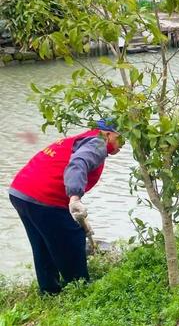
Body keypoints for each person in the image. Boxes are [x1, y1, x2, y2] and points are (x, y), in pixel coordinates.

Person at [8, 119, 123, 294]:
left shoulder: (82, 139)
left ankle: (49, 291)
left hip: (21, 192)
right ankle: (80, 289)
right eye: (121, 138)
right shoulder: (99, 142)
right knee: (72, 238)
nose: (123, 143)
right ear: (107, 133)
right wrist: (75, 197)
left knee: (43, 244)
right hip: (42, 197)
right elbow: (78, 164)